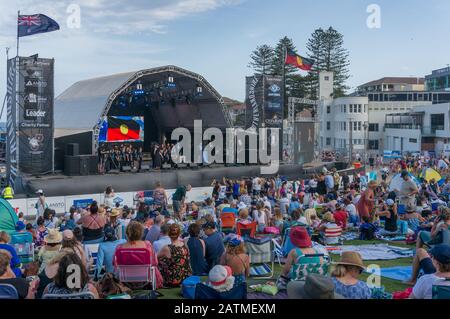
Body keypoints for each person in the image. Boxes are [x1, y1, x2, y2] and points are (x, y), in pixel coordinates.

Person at [114, 221, 163, 289]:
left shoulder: (119, 248)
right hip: (144, 278)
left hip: (125, 279)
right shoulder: (147, 245)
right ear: (141, 233)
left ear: (127, 233)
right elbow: (155, 262)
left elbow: (114, 263)